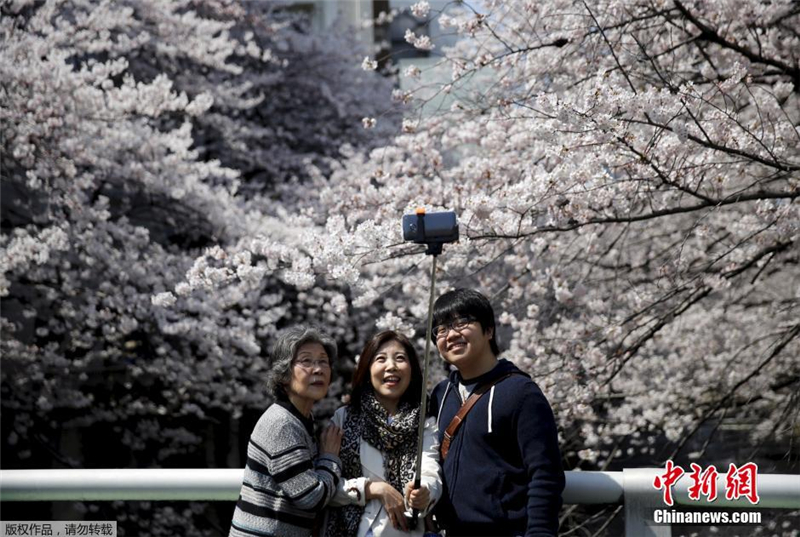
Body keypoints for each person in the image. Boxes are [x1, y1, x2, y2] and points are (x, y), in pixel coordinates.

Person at [428, 289, 565, 537]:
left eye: (462, 322)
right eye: (441, 329)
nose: (451, 334)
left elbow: (545, 474)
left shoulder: (521, 393)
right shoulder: (440, 395)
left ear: (489, 330)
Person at [324, 330, 442, 537]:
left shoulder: (424, 422)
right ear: (368, 370)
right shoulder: (343, 419)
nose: (391, 366)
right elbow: (326, 484)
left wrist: (423, 492)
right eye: (381, 359)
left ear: (412, 370)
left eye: (400, 359)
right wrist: (374, 489)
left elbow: (430, 469)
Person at [230, 325, 344, 537]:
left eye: (323, 362)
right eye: (306, 361)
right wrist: (330, 458)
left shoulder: (301, 419)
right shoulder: (282, 424)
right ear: (283, 374)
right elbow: (312, 498)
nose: (317, 369)